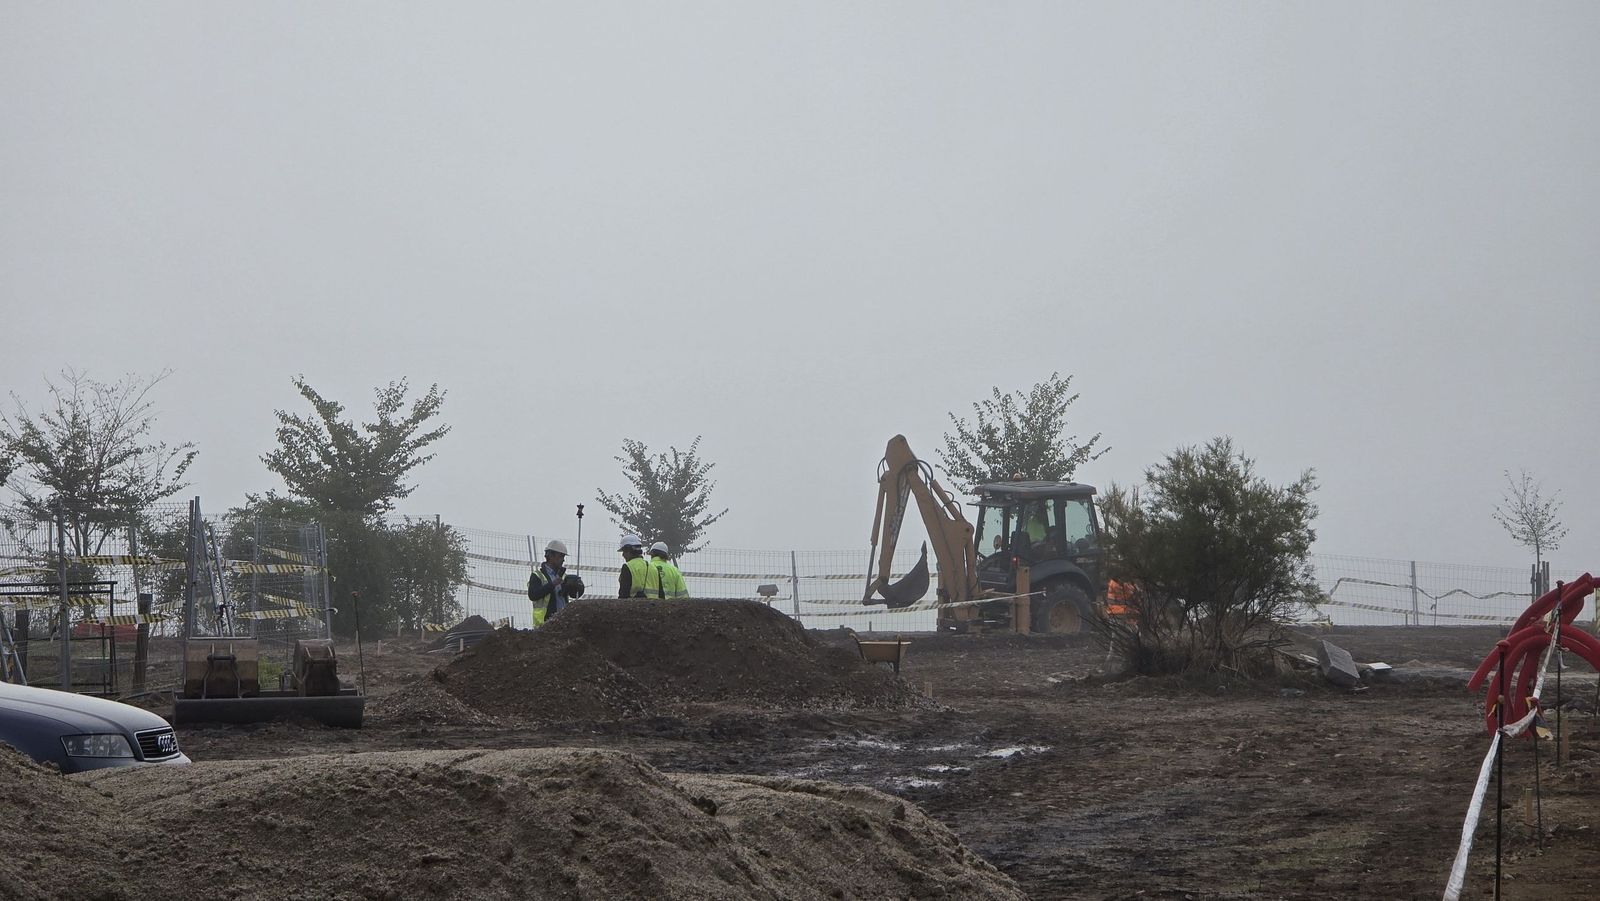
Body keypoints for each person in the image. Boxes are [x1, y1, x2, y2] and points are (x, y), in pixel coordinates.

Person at [527, 539, 583, 625]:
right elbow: (533, 595)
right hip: (544, 624)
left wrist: (576, 587)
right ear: (550, 555)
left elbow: (571, 595)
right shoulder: (537, 575)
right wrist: (552, 584)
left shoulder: (563, 576)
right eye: (561, 556)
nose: (563, 560)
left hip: (563, 623)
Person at [617, 533, 650, 598]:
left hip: (634, 604)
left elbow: (623, 595)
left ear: (629, 550)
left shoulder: (627, 567)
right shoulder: (653, 567)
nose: (623, 555)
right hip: (657, 604)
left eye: (624, 552)